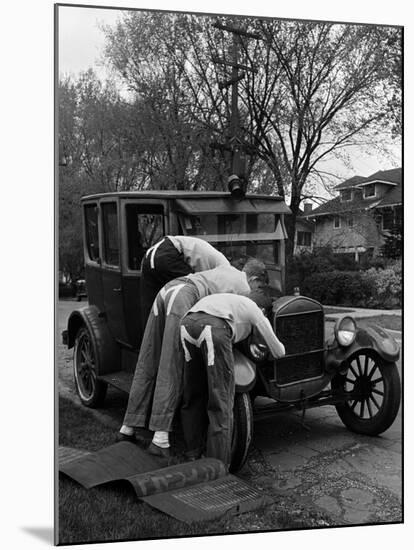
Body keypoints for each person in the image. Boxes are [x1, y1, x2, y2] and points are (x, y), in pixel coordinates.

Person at [118, 259, 268, 458]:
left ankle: (127, 428)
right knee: (173, 363)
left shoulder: (224, 269)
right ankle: (160, 440)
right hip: (183, 296)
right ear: (254, 278)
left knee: (149, 359)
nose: (254, 291)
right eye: (257, 287)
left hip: (167, 291)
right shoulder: (242, 284)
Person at [179, 292, 285, 467]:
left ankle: (192, 453)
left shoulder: (232, 300)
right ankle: (217, 464)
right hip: (213, 329)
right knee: (221, 401)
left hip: (186, 324)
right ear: (263, 309)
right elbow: (278, 351)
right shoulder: (256, 311)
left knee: (193, 393)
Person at [140, 236, 229, 329]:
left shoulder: (217, 263)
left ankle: (147, 340)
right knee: (187, 294)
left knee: (151, 308)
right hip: (168, 252)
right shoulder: (224, 269)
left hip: (151, 254)